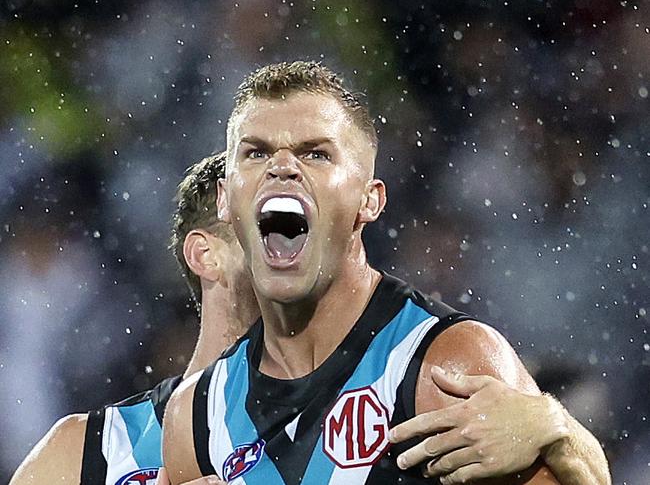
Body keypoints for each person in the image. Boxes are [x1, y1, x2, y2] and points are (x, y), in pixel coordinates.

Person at [161, 61, 611, 485]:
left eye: (315, 154)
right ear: (224, 198)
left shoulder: (444, 366)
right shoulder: (194, 418)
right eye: (256, 152)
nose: (282, 167)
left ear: (369, 200)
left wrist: (560, 430)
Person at [9, 152, 260, 485]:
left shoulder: (349, 440)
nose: (295, 249)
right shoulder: (84, 455)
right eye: (273, 226)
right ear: (205, 255)